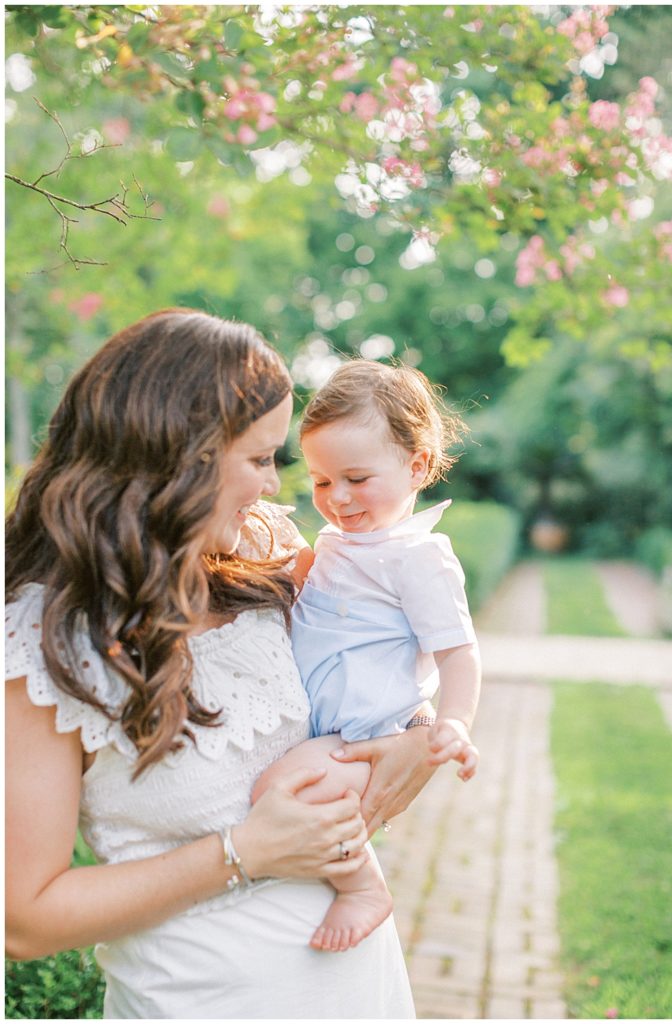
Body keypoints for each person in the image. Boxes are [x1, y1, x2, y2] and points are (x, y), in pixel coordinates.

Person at [5, 309, 437, 1019]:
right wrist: (244, 852)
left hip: (362, 991)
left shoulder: (264, 549)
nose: (275, 486)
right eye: (261, 458)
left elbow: (389, 647)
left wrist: (419, 728)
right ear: (183, 456)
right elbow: (24, 918)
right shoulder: (43, 638)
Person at [253, 359, 481, 955]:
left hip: (362, 730)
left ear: (417, 467)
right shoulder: (336, 542)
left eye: (356, 478)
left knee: (282, 790)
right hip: (323, 723)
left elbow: (459, 653)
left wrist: (453, 722)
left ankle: (362, 887)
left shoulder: (418, 558)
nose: (337, 498)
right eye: (322, 482)